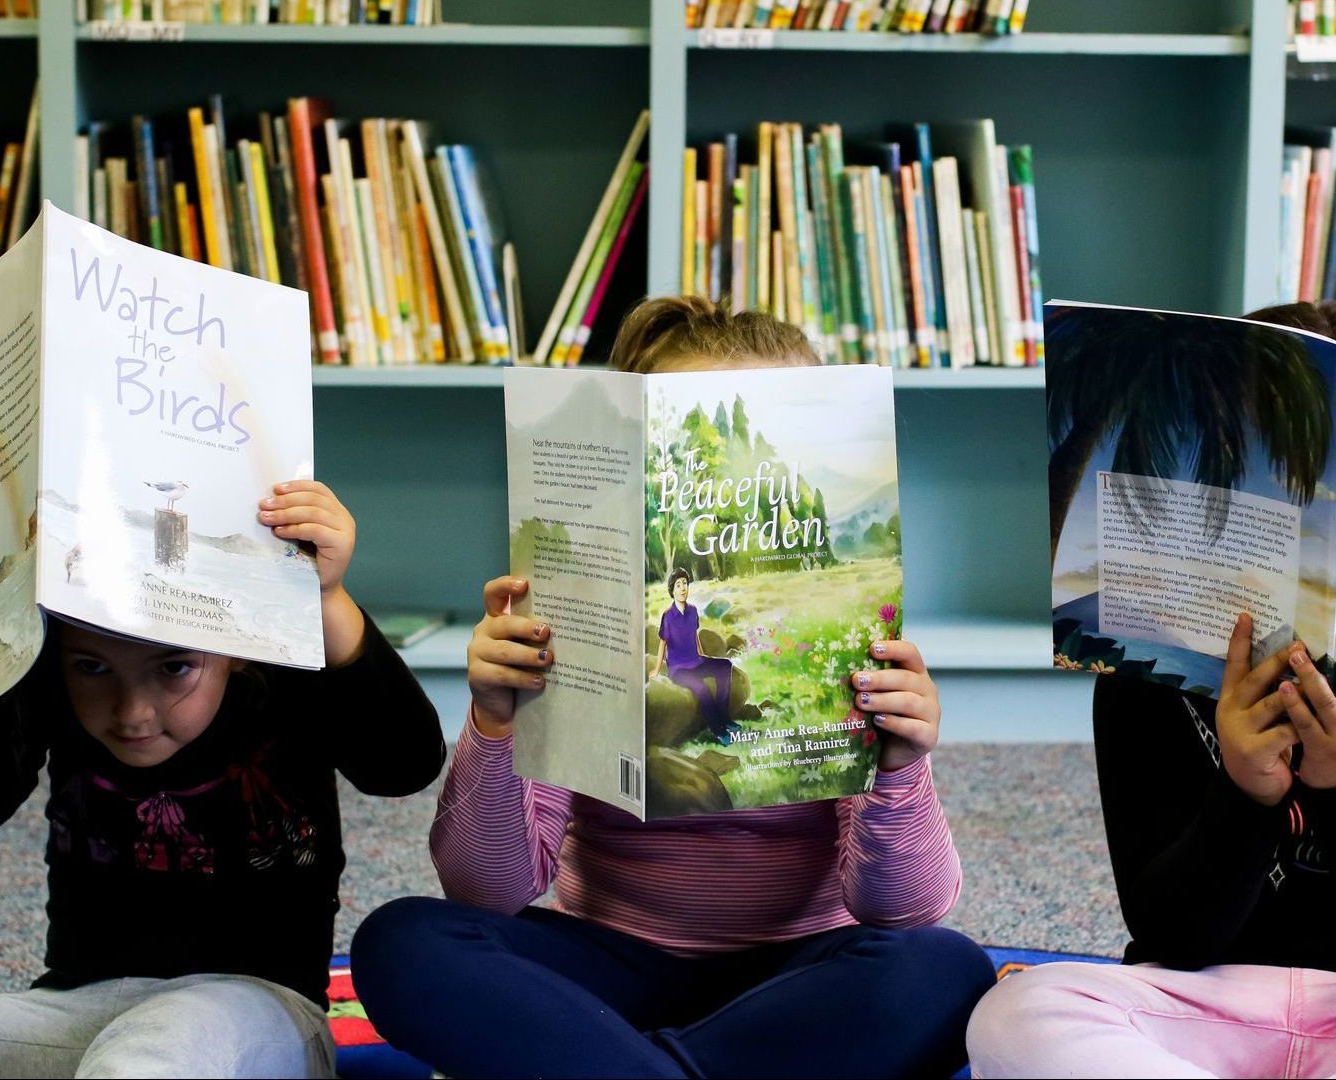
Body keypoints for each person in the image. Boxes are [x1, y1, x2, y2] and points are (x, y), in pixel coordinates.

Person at [350, 296, 993, 1079]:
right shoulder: (579, 617)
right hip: (610, 970)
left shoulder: (851, 646)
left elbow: (904, 909)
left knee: (945, 970)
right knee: (401, 944)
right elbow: (486, 891)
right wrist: (495, 720)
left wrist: (899, 766)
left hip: (803, 973)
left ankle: (629, 1071)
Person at [969, 301, 1336, 1078]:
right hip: (1197, 1003)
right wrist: (1246, 793)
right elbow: (1169, 933)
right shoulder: (1151, 666)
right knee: (1018, 1014)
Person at [0, 480, 445, 1079]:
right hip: (76, 1005)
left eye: (173, 670)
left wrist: (326, 595)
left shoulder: (277, 671)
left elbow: (404, 763)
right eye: (94, 669)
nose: (132, 713)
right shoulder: (53, 677)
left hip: (249, 1010)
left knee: (143, 1060)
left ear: (234, 649)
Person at [656, 566, 737, 743]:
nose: (683, 588)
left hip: (696, 662)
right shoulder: (668, 616)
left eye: (685, 583)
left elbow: (694, 635)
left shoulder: (692, 610)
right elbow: (663, 643)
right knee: (702, 688)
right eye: (678, 585)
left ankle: (724, 718)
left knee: (725, 666)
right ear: (672, 590)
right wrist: (656, 670)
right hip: (679, 669)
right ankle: (719, 731)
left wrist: (702, 655)